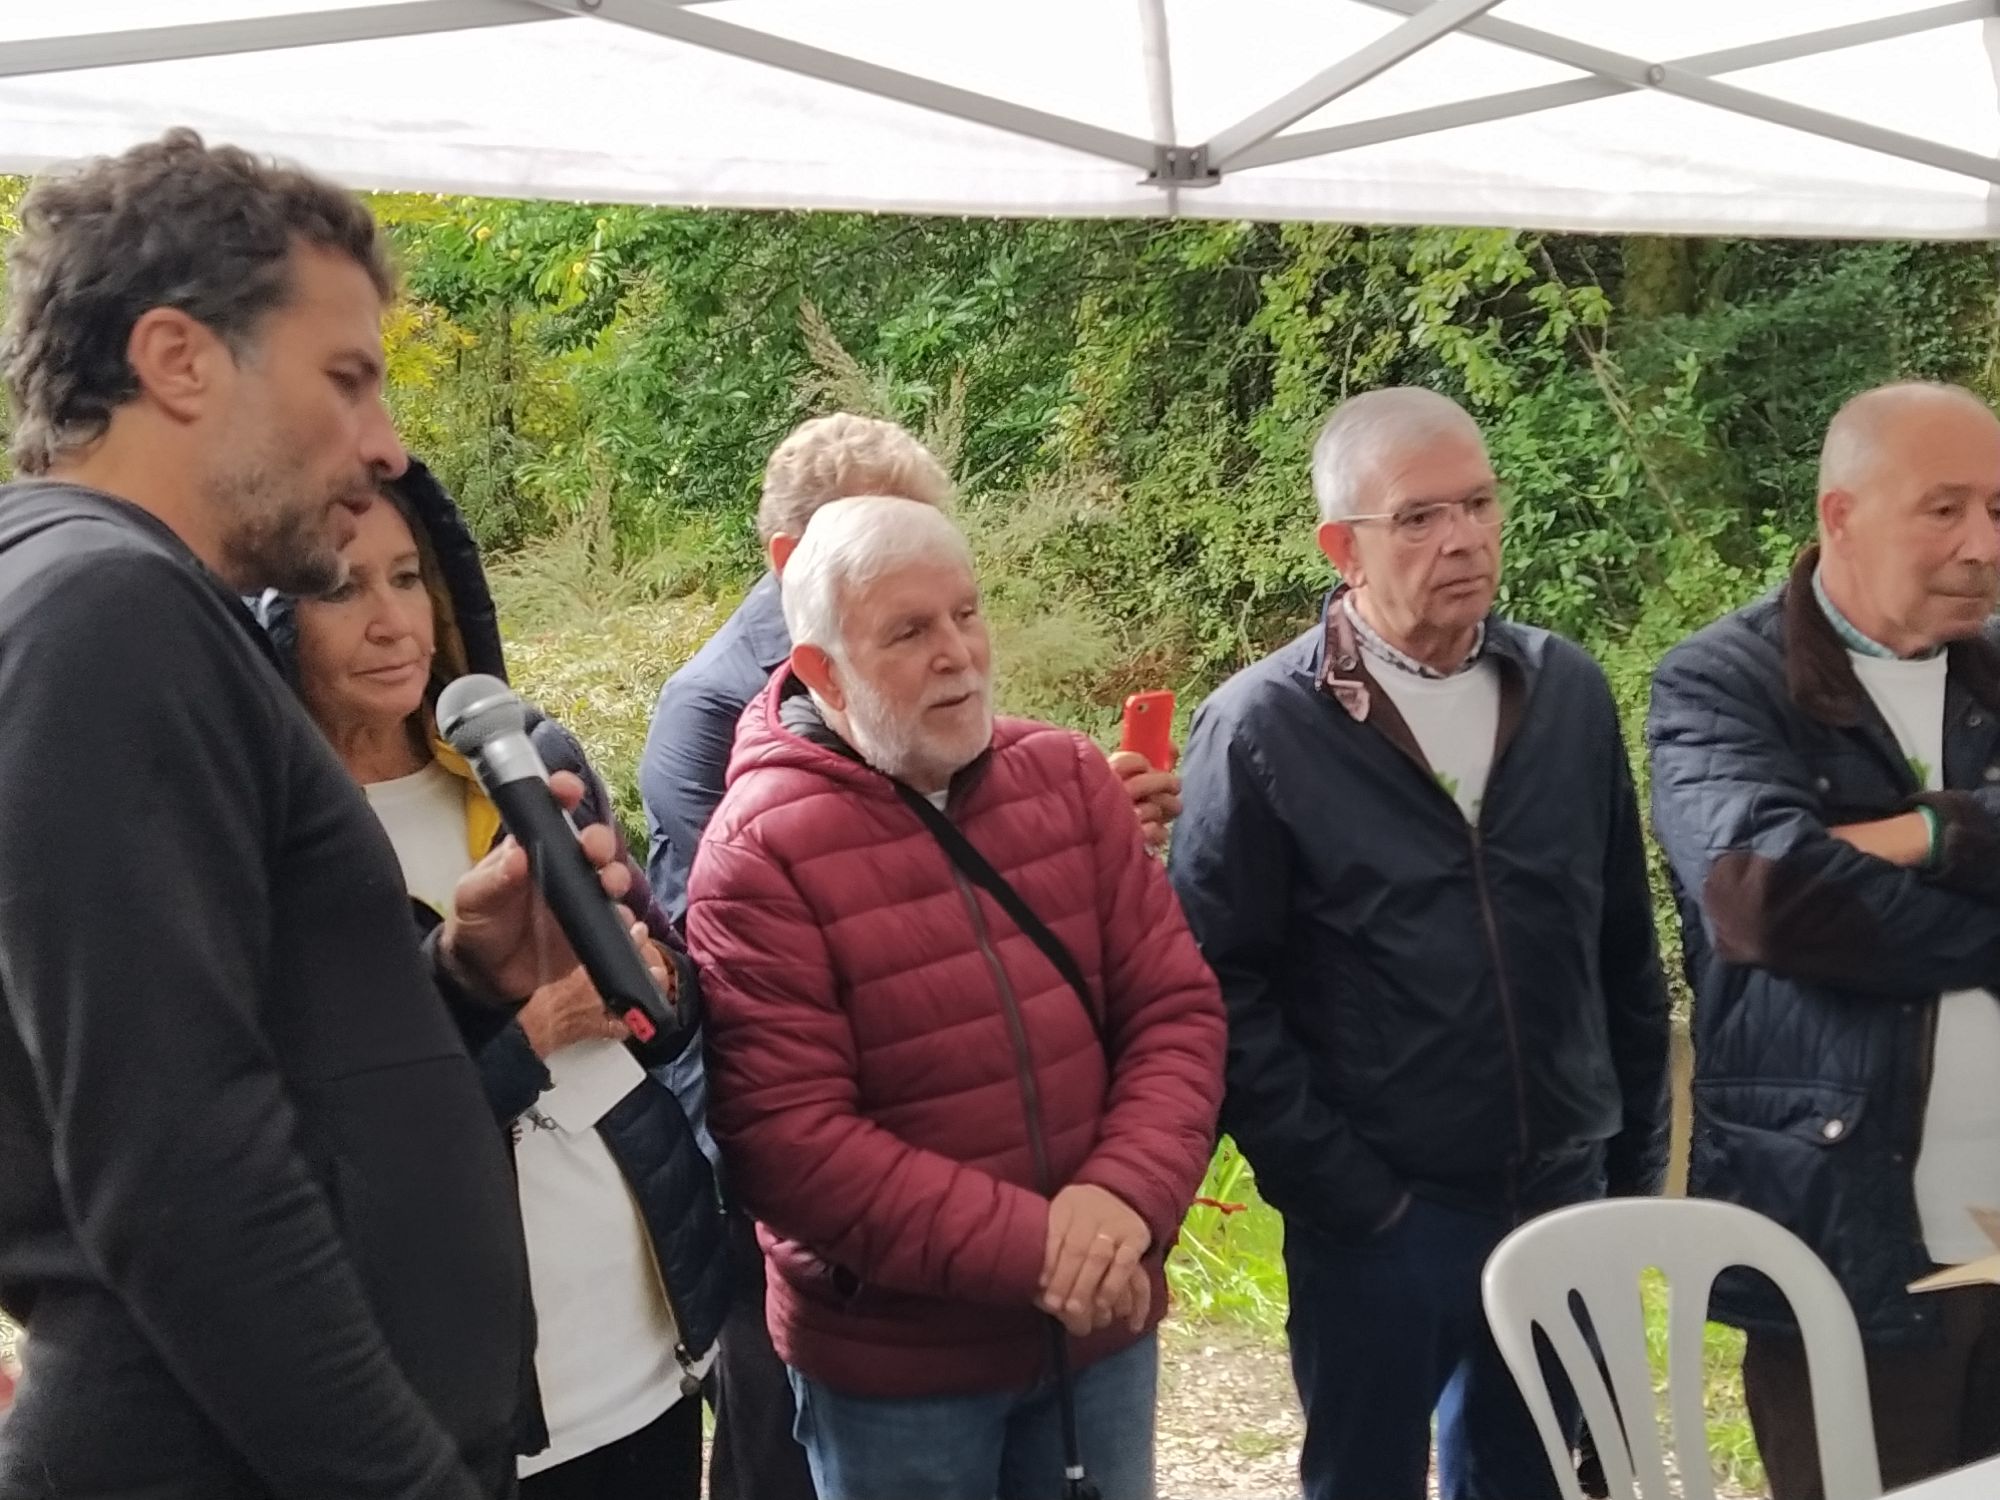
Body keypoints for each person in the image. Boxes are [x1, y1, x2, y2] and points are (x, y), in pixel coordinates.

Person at [0, 129, 637, 1499]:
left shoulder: (123, 606)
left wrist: (459, 981)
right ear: (178, 359)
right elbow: (179, 1170)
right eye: (345, 379)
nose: (384, 442)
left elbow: (223, 1047)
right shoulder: (106, 611)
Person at [636, 411, 1179, 1500]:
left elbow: (1172, 1011)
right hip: (896, 1354)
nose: (957, 653)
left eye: (967, 611)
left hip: (1099, 1330)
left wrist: (1121, 1202)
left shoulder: (1061, 777)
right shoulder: (747, 814)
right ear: (820, 662)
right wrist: (1046, 1251)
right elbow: (788, 1130)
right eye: (908, 627)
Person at [1170, 387, 1671, 1500]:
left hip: (1560, 1190)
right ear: (1339, 547)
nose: (1461, 538)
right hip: (1385, 1219)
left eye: (1478, 504)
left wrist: (1628, 1168)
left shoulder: (1566, 692)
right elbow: (1218, 991)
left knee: (1536, 1479)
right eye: (1417, 517)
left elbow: (1620, 951)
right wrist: (1346, 1193)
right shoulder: (1259, 729)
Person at [264, 460, 732, 1499]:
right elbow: (327, 1143)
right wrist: (532, 1036)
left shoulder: (516, 757)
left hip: (639, 1333)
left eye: (407, 576)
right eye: (343, 588)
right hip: (460, 1382)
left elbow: (669, 1003)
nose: (395, 621)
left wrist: (652, 978)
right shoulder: (266, 840)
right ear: (266, 614)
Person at [1650, 381, 2000, 1500]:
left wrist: (1898, 840)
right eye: (1941, 510)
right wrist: (1967, 848)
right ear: (1837, 515)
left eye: (1998, 511)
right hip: (1839, 1228)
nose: (1979, 547)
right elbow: (1762, 897)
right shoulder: (1721, 682)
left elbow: (1819, 886)